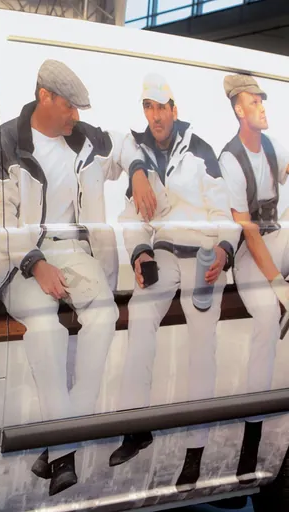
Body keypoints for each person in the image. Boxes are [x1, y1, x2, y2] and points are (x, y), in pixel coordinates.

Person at [0, 59, 150, 497]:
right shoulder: (5, 143)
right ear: (45, 97)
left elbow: (131, 144)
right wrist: (36, 263)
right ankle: (65, 453)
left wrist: (137, 173)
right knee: (46, 329)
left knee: (103, 315)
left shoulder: (88, 140)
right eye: (70, 106)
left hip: (77, 251)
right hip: (22, 255)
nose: (77, 115)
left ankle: (61, 446)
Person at [109, 73, 240, 493]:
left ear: (174, 109)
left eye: (161, 107)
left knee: (201, 348)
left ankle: (194, 453)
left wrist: (222, 248)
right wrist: (139, 252)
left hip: (203, 253)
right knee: (141, 320)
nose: (155, 115)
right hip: (163, 251)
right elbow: (131, 219)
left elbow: (225, 213)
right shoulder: (140, 156)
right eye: (148, 107)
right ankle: (137, 427)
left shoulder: (200, 152)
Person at [218, 74, 289, 484]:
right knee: (264, 320)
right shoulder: (231, 158)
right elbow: (247, 231)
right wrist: (278, 284)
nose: (263, 106)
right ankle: (251, 439)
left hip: (276, 239)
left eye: (263, 99)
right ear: (238, 110)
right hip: (249, 254)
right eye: (254, 101)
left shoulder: (273, 146)